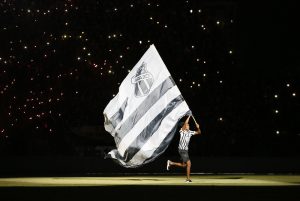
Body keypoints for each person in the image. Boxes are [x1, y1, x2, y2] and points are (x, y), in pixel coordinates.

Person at [166, 115, 201, 183]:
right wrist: (189, 116)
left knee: (184, 165)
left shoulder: (190, 132)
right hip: (182, 150)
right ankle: (188, 179)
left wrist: (198, 127)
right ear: (184, 126)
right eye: (187, 125)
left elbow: (199, 132)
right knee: (189, 164)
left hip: (185, 151)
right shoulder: (182, 131)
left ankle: (171, 163)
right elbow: (185, 123)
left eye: (188, 125)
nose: (188, 125)